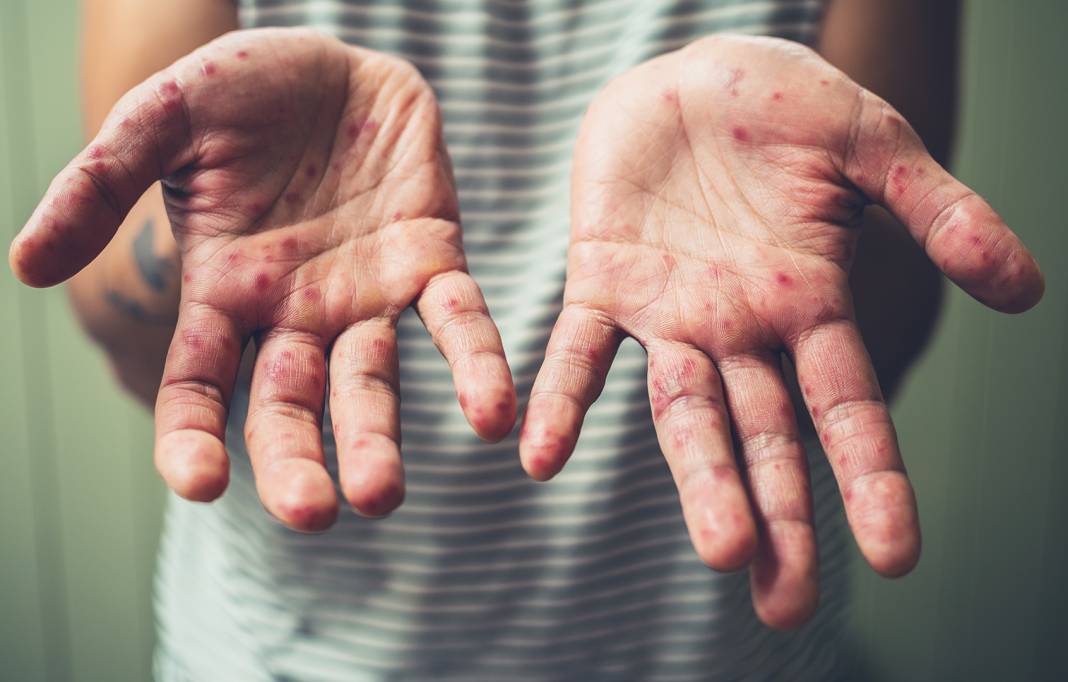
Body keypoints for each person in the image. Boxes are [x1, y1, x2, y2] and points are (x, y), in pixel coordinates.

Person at [9, 0, 1043, 679]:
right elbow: (131, 324)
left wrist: (808, 219)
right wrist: (205, 248)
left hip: (728, 655)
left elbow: (880, 343)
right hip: (291, 657)